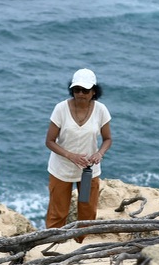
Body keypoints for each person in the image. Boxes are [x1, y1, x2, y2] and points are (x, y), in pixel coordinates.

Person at [45, 68, 112, 234]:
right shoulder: (61, 109)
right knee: (57, 214)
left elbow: (107, 139)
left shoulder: (101, 110)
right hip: (61, 169)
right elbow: (49, 141)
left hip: (89, 170)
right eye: (76, 90)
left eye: (85, 90)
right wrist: (70, 155)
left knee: (88, 212)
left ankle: (81, 245)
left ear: (94, 92)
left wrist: (99, 153)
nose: (80, 94)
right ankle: (52, 244)